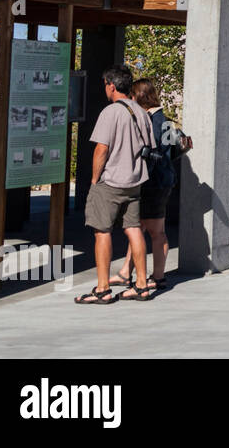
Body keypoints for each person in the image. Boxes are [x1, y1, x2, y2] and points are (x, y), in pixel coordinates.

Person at [74, 64, 155, 304]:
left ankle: (102, 289)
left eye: (105, 85)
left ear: (111, 86)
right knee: (133, 229)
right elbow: (148, 147)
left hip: (110, 181)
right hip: (134, 181)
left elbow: (101, 148)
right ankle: (141, 285)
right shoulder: (141, 112)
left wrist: (93, 179)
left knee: (102, 232)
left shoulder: (110, 112)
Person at [112, 79, 192, 294]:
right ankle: (126, 272)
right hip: (162, 181)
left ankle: (157, 276)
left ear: (138, 96)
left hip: (152, 183)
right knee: (138, 228)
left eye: (132, 95)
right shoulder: (164, 119)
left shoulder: (152, 121)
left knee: (153, 232)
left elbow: (150, 153)